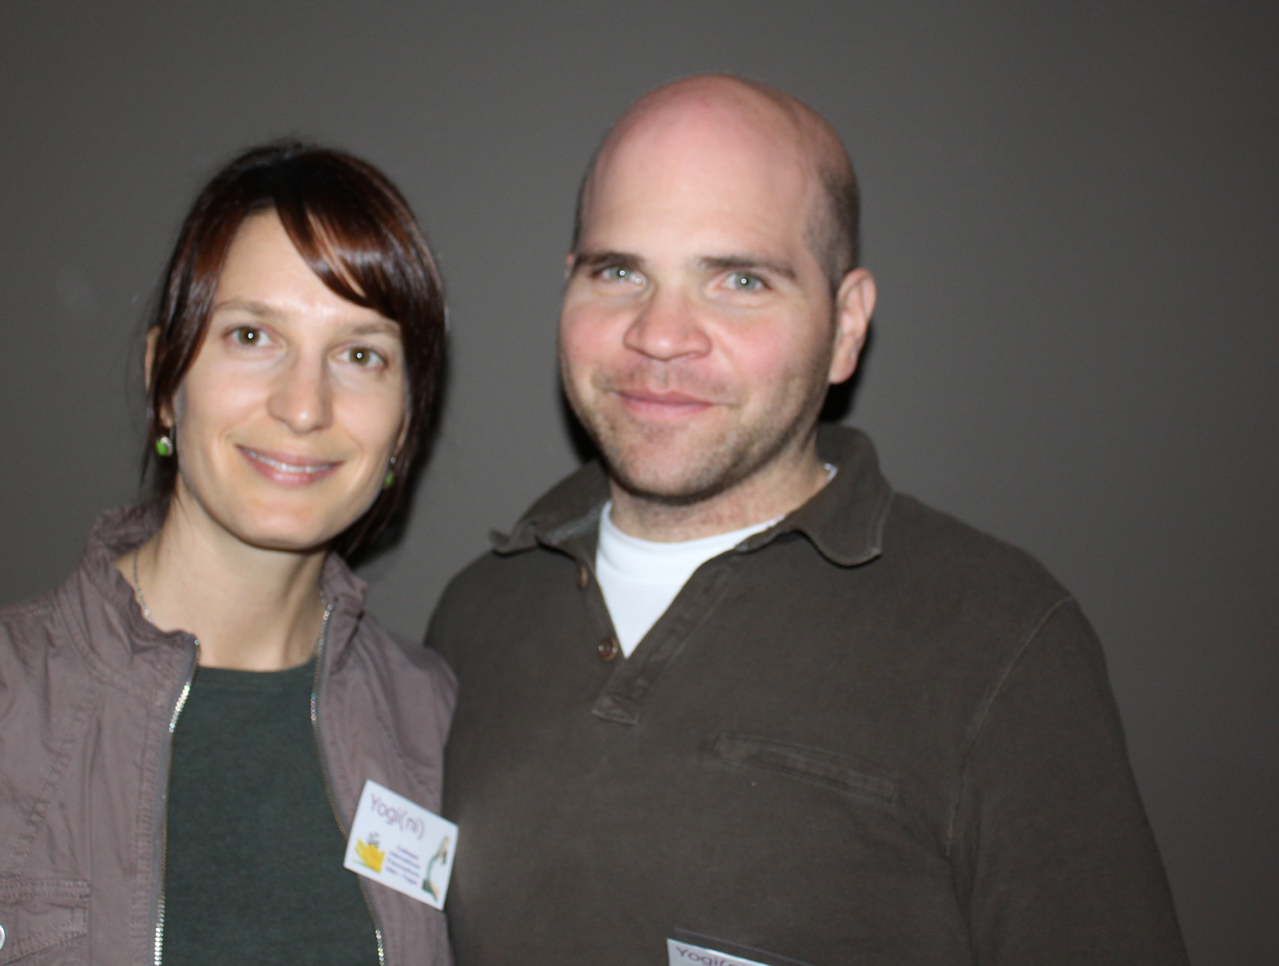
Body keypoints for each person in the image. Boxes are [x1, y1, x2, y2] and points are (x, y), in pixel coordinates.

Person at [427, 75, 1189, 965]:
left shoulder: (1001, 641)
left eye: (740, 280)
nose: (661, 334)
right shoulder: (474, 616)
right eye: (620, 271)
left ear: (846, 324)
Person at [0, 141, 455, 965]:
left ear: (405, 424)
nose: (304, 406)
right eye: (251, 335)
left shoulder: (441, 722)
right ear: (164, 381)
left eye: (360, 355)